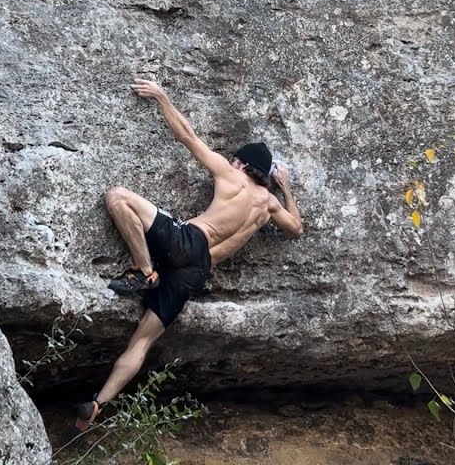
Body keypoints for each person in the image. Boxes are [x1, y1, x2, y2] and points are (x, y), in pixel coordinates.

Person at [73, 78, 303, 433]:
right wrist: (284, 185)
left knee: (117, 196)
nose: (229, 161)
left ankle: (144, 270)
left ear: (241, 164)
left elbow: (189, 137)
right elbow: (296, 229)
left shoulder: (231, 175)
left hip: (187, 241)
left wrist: (163, 96)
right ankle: (98, 405)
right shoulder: (269, 204)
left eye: (233, 159)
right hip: (198, 272)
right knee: (143, 341)